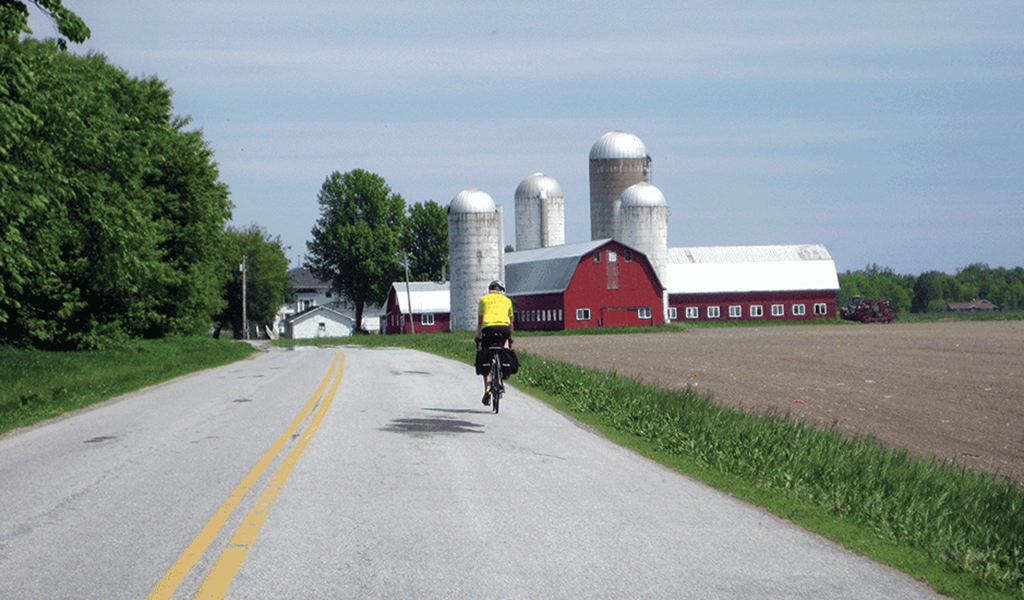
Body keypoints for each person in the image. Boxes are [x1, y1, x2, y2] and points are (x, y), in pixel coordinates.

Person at [475, 279, 514, 406]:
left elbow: (480, 321)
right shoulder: (508, 301)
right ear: (502, 291)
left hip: (489, 329)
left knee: (487, 357)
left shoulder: (484, 300)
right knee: (505, 346)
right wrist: (510, 337)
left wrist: (479, 337)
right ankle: (504, 369)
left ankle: (487, 390)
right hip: (504, 329)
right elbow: (511, 321)